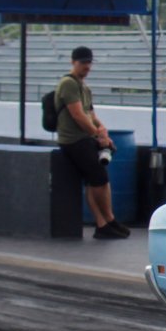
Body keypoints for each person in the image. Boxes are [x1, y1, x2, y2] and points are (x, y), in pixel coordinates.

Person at [55, 45, 128, 240]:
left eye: (88, 62)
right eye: (83, 62)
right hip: (74, 140)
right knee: (100, 178)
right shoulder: (68, 83)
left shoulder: (84, 87)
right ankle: (108, 220)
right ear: (73, 62)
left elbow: (91, 114)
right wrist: (97, 135)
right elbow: (78, 115)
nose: (86, 66)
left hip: (84, 138)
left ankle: (102, 223)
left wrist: (103, 131)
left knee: (93, 181)